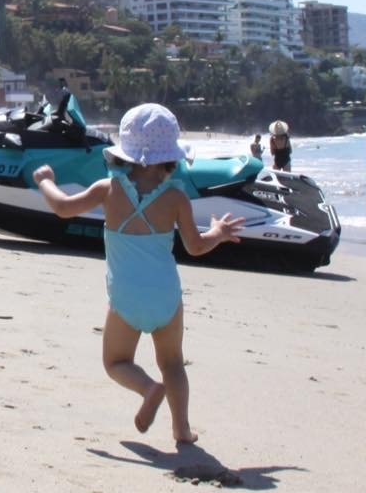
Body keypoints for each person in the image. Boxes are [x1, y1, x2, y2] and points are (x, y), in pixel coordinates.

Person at [31, 103, 239, 448]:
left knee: (116, 362)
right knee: (173, 363)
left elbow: (63, 208)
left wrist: (46, 182)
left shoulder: (107, 189)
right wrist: (217, 232)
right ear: (170, 155)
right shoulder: (176, 197)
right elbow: (196, 246)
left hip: (125, 298)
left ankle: (147, 389)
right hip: (166, 298)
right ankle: (182, 430)